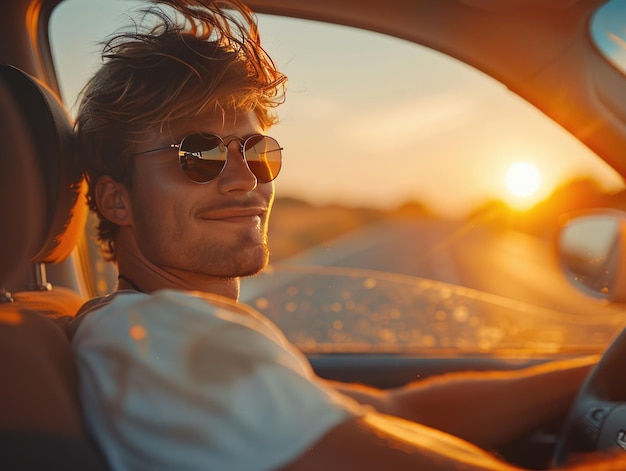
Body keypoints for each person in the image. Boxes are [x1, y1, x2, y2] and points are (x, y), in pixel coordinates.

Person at [70, 0, 626, 469]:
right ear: (118, 198)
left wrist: (604, 367)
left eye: (258, 152)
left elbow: (398, 413)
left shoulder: (165, 329)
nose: (244, 180)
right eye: (200, 155)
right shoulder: (159, 337)